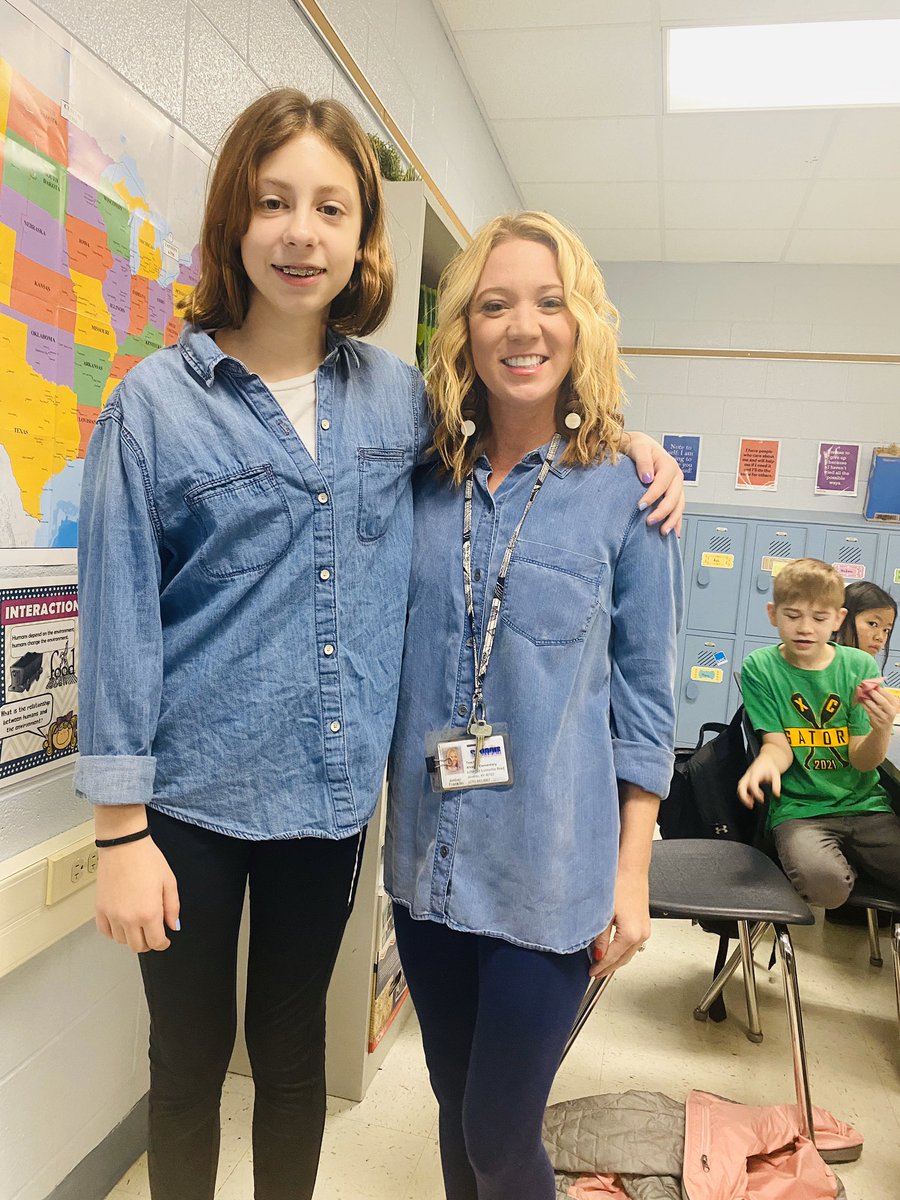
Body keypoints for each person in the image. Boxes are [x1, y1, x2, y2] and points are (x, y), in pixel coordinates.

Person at [75, 91, 685, 1200]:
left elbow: (526, 437)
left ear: (365, 237)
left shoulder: (397, 404)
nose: (301, 233)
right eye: (273, 203)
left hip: (328, 803)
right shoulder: (155, 406)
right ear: (234, 223)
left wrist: (630, 442)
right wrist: (120, 827)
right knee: (187, 1066)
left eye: (331, 207)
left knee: (297, 1056)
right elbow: (119, 618)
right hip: (192, 804)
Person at [384, 211, 683, 1200]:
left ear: (582, 326)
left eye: (550, 303)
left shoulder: (628, 492)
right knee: (453, 1101)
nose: (524, 326)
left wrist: (632, 876)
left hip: (550, 879)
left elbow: (647, 693)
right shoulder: (422, 481)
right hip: (428, 874)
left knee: (501, 1129)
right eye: (496, 303)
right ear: (464, 327)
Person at [737, 559, 900, 911]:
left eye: (819, 618)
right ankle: (841, 866)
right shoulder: (761, 667)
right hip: (801, 812)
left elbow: (862, 758)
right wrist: (764, 763)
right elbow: (778, 746)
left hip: (866, 806)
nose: (805, 628)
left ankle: (854, 864)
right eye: (792, 615)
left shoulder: (859, 666)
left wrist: (881, 728)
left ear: (838, 619)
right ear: (773, 613)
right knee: (827, 889)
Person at [835, 580, 896, 663]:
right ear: (843, 617)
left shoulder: (867, 669)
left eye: (886, 630)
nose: (880, 638)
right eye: (873, 624)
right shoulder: (821, 661)